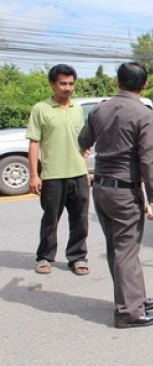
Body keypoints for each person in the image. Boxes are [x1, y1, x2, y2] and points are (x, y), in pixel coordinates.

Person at [78, 62, 153, 328]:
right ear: (145, 84)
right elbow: (148, 161)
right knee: (126, 250)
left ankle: (133, 298)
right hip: (125, 191)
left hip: (101, 189)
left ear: (118, 82)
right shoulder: (143, 113)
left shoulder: (99, 109)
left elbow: (83, 142)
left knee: (117, 249)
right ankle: (129, 312)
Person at [26, 64, 90, 276]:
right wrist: (35, 175)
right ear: (52, 84)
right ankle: (44, 257)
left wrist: (86, 160)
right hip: (52, 176)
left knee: (80, 219)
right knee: (50, 220)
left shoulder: (78, 109)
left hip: (79, 174)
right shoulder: (40, 109)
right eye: (63, 83)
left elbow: (82, 140)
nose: (68, 88)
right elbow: (34, 143)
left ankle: (78, 257)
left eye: (71, 83)